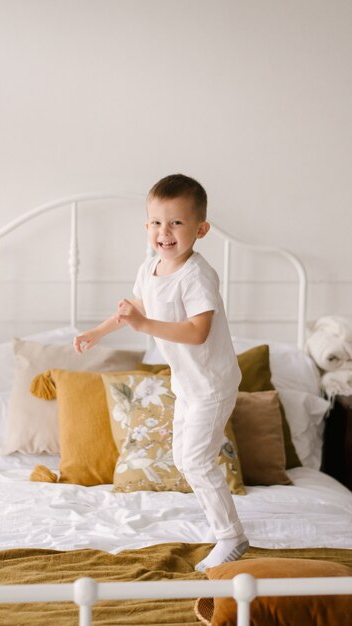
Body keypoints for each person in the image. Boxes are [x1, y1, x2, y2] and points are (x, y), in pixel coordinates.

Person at [74, 174, 249, 572]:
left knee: (197, 460)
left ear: (201, 229)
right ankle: (223, 527)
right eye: (156, 222)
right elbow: (136, 307)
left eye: (176, 223)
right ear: (146, 226)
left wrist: (143, 326)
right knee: (187, 460)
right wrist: (98, 331)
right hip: (188, 383)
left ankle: (231, 537)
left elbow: (198, 330)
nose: (164, 232)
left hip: (213, 383)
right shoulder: (150, 267)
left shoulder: (196, 276)